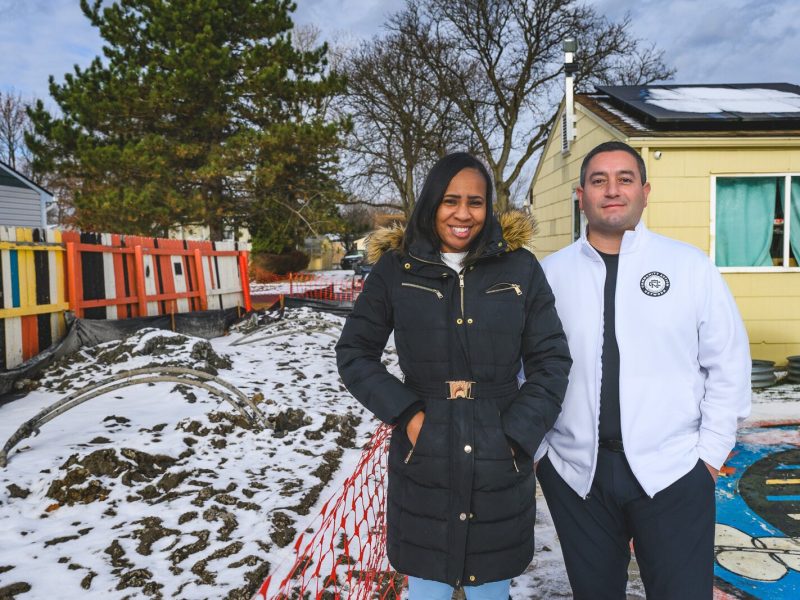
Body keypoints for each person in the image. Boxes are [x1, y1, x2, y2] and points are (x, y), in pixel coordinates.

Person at [336, 152, 571, 599]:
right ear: (431, 203)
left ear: (490, 207)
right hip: (425, 447)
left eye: (476, 202)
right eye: (450, 200)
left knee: (490, 589)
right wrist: (407, 414)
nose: (463, 214)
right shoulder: (396, 270)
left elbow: (551, 359)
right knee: (428, 587)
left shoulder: (520, 268)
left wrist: (518, 433)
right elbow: (355, 352)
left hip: (500, 450)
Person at [535, 140, 752, 599]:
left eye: (624, 179)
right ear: (581, 195)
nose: (612, 190)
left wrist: (707, 460)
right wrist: (543, 455)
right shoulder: (549, 276)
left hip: (674, 472)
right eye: (599, 180)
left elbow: (728, 365)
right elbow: (522, 371)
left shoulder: (689, 266)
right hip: (578, 477)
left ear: (646, 190)